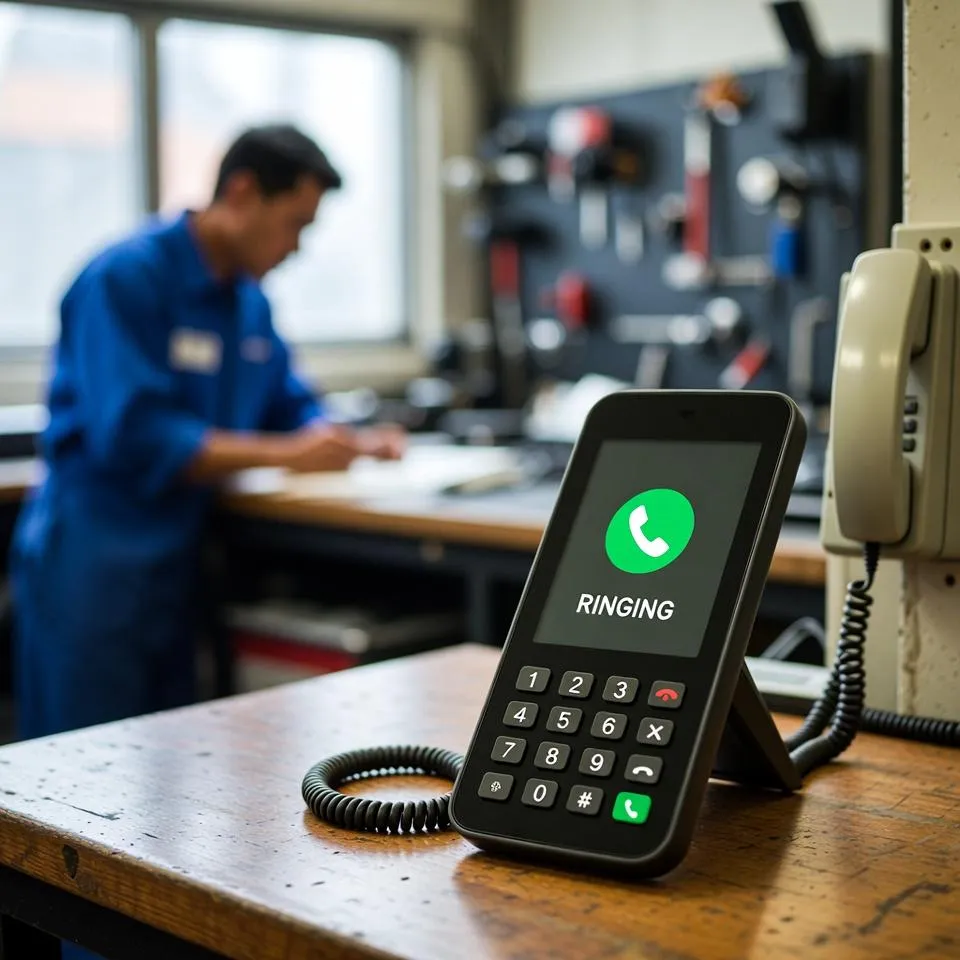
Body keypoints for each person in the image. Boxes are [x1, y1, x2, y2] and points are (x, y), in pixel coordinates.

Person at [10, 123, 406, 743]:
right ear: (244, 192)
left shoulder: (247, 302)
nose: (297, 247)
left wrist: (343, 440)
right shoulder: (125, 280)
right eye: (295, 224)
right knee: (76, 765)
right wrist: (290, 454)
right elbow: (135, 433)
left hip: (178, 563)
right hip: (95, 562)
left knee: (166, 764)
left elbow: (286, 401)